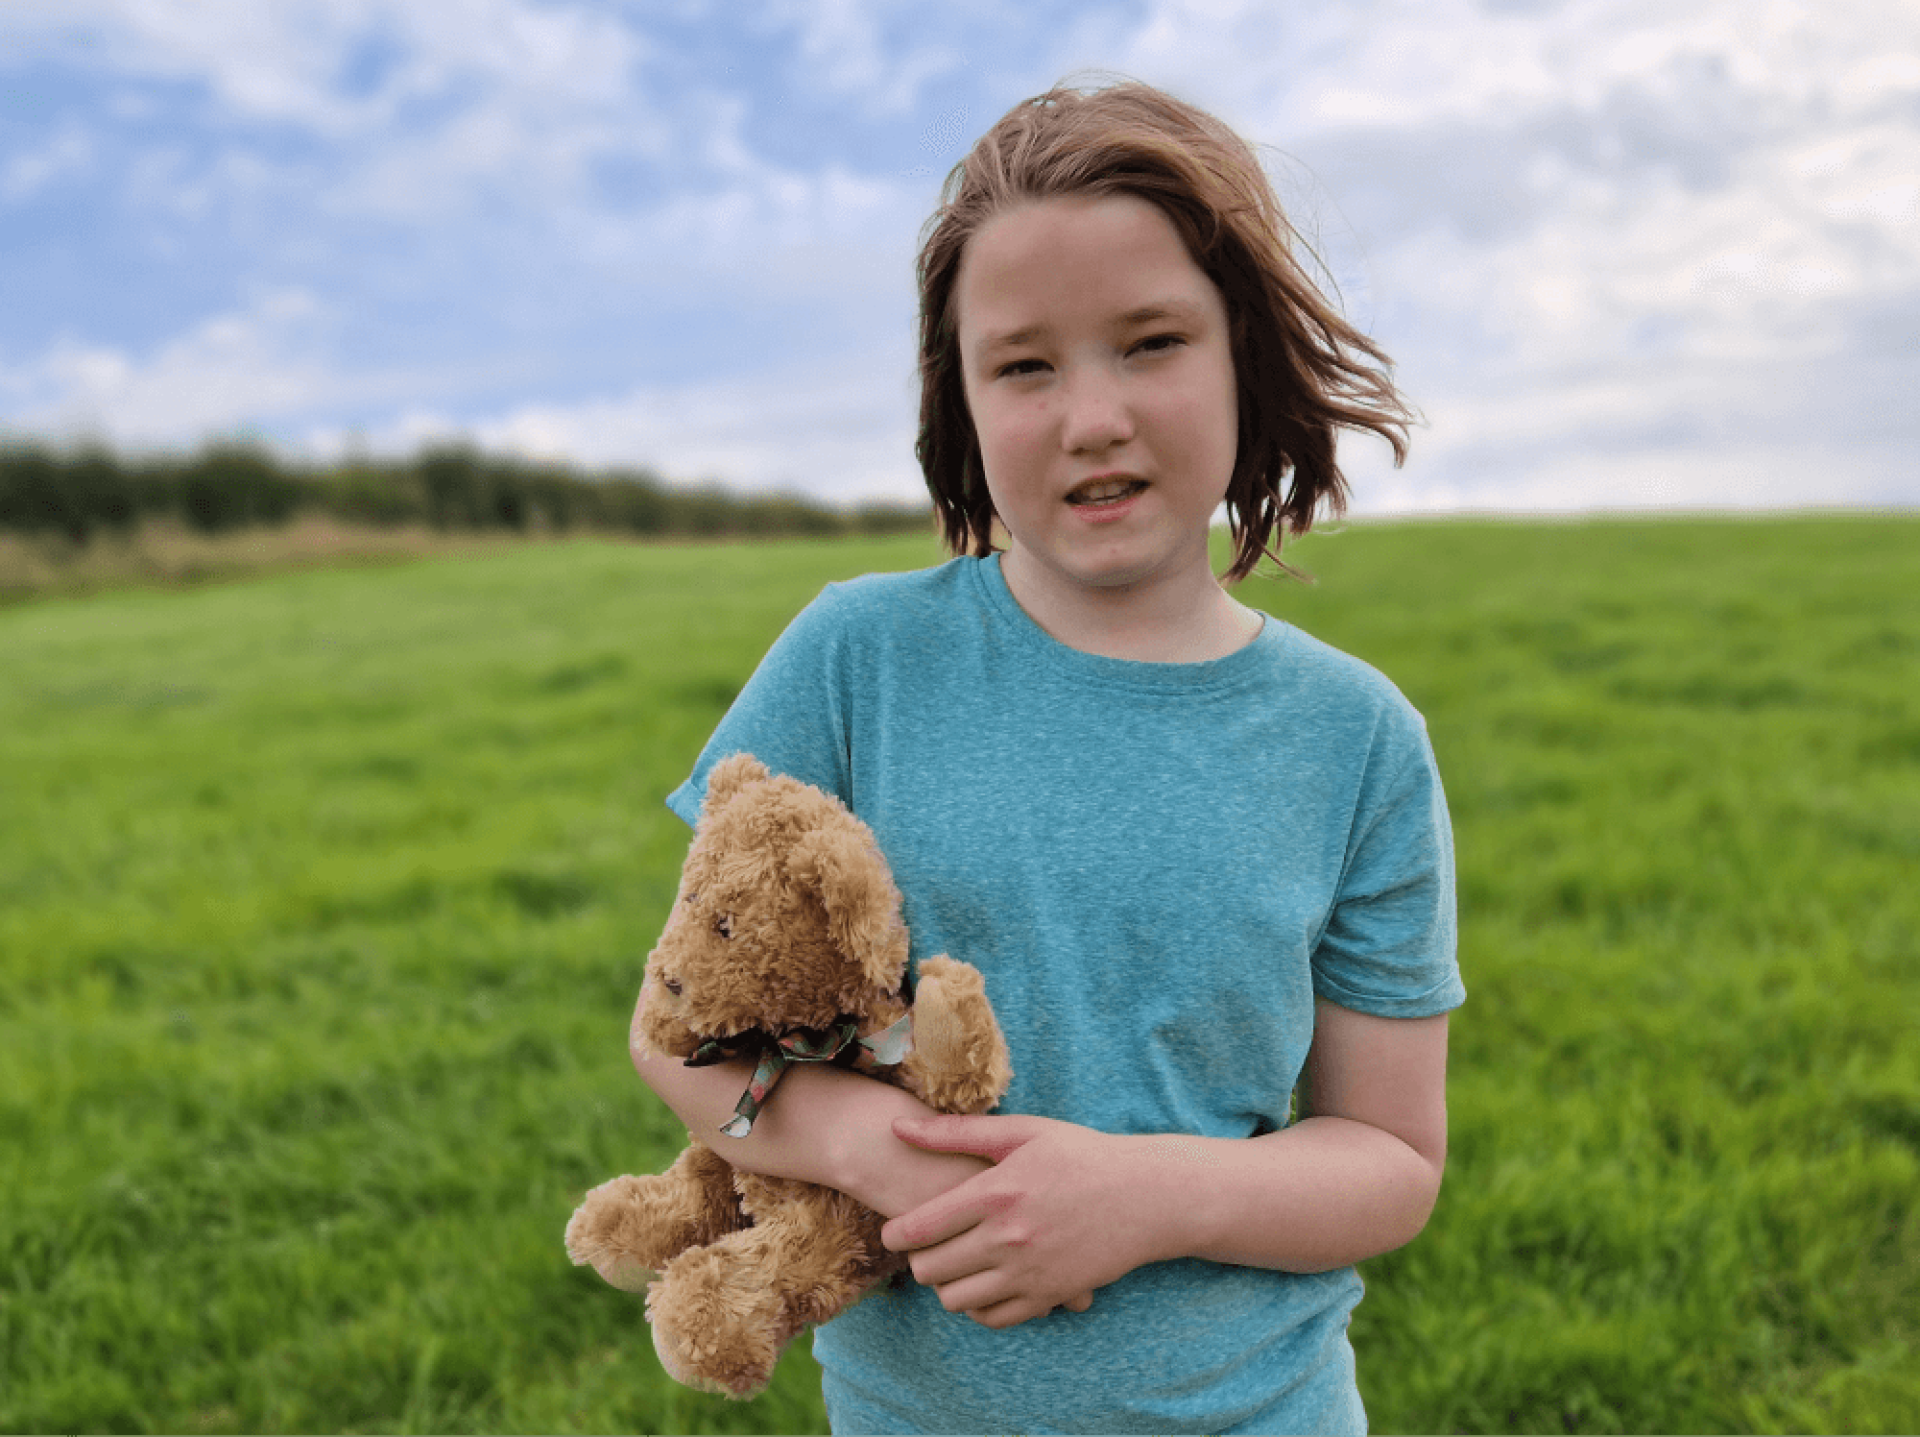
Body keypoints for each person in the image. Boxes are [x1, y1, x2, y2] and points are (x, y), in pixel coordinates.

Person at [626, 77, 1464, 1436]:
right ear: (956, 400)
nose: (1092, 416)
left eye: (1150, 343)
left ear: (1244, 353)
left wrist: (1145, 1197)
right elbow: (679, 1034)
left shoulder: (1356, 740)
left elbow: (1390, 1159)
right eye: (1025, 364)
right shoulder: (856, 662)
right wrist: (865, 1148)